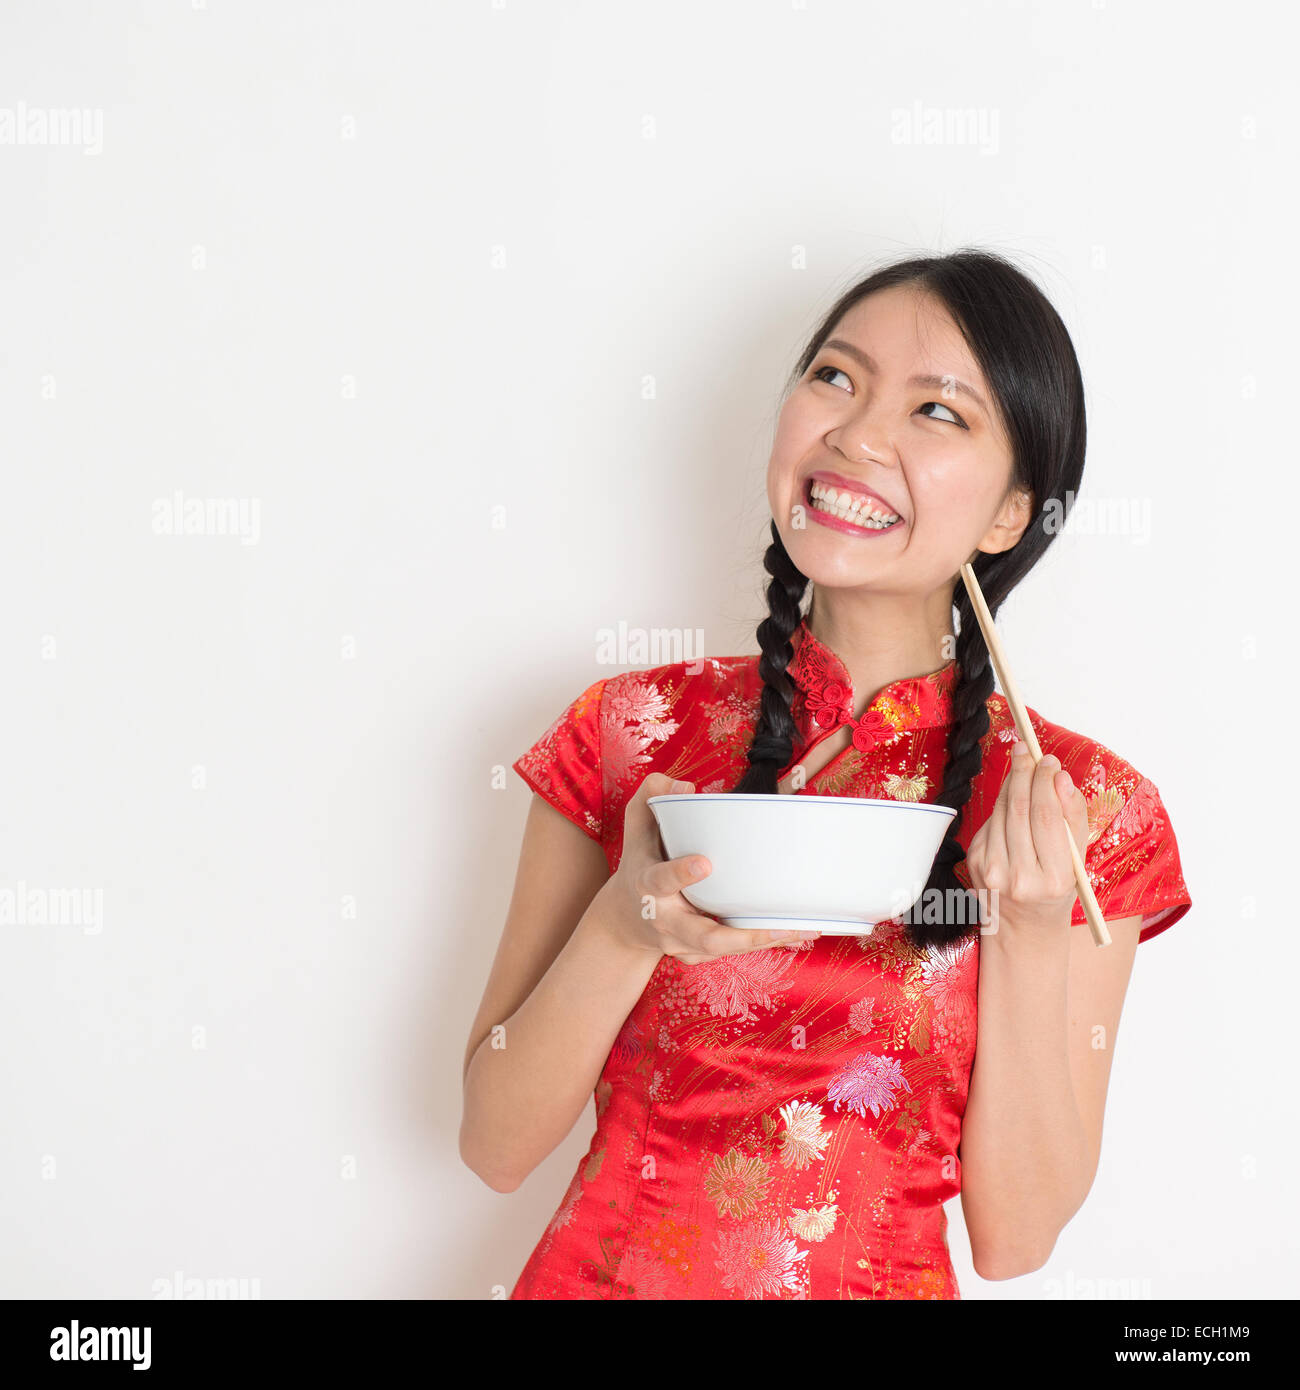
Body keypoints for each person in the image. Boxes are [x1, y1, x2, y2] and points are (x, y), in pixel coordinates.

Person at [460, 248, 1193, 1300]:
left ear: (1005, 517)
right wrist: (625, 925)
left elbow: (1016, 1236)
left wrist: (1028, 932)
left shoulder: (1088, 810)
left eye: (937, 412)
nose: (854, 433)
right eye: (835, 378)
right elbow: (492, 1141)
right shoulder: (630, 732)